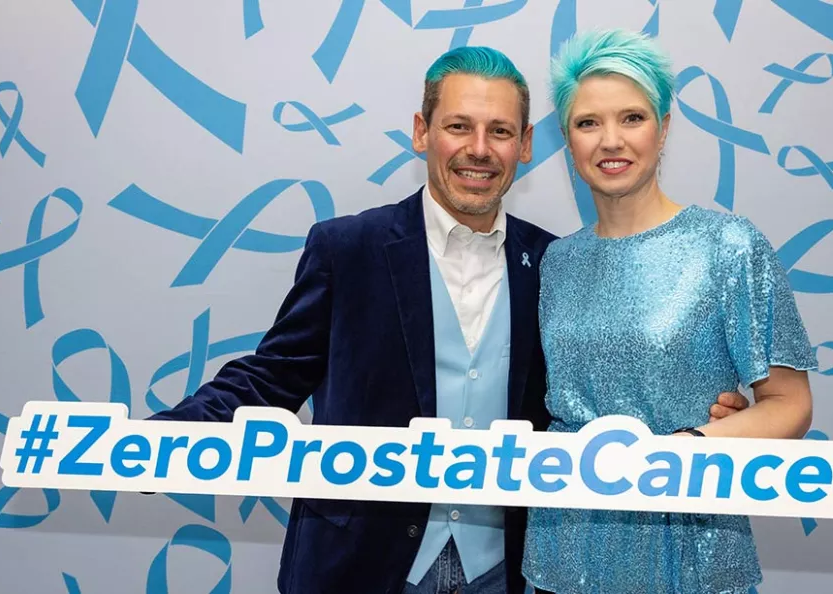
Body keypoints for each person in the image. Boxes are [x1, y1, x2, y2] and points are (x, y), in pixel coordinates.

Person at [147, 46, 749, 594]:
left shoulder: (556, 263)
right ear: (421, 132)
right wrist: (149, 445)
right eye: (459, 126)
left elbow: (595, 395)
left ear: (527, 145)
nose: (479, 149)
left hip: (506, 569)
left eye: (500, 131)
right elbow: (269, 377)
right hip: (360, 565)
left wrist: (709, 418)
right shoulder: (346, 249)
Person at [521, 29, 818, 594]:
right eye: (588, 123)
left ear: (664, 129)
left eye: (632, 117)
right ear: (567, 139)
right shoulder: (556, 261)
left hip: (690, 547)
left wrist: (696, 445)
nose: (611, 141)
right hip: (563, 550)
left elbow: (790, 404)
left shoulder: (728, 246)